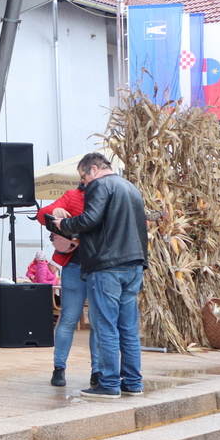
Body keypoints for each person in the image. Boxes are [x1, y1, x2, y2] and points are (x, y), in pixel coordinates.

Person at [54, 153, 149, 400]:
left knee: (105, 326)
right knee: (128, 329)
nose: (83, 183)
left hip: (107, 266)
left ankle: (108, 383)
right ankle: (133, 383)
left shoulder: (99, 185)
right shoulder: (131, 187)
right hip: (134, 264)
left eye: (83, 176)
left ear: (94, 169)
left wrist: (64, 225)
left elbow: (90, 219)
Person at [36, 183, 99, 389]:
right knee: (68, 319)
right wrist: (54, 210)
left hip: (99, 267)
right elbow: (41, 215)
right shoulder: (73, 195)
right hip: (74, 264)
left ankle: (97, 371)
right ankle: (59, 368)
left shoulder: (107, 195)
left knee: (97, 322)